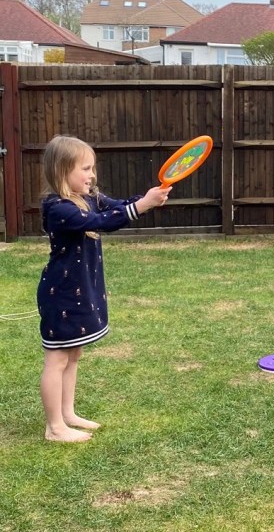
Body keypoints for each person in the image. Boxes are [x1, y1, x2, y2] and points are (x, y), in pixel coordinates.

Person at [37, 135, 171, 442]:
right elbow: (102, 221)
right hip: (62, 295)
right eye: (85, 168)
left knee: (73, 355)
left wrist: (146, 200)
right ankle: (54, 427)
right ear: (62, 171)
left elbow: (118, 207)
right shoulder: (59, 208)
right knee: (56, 359)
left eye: (92, 168)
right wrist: (143, 205)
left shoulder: (89, 197)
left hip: (81, 290)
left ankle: (67, 413)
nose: (92, 175)